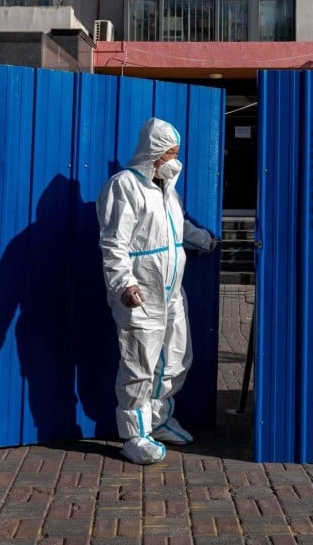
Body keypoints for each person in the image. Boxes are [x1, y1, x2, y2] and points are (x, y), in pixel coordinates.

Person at [96, 118, 218, 465]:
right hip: (141, 291)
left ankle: (159, 419)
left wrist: (203, 240)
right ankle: (134, 434)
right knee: (139, 363)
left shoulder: (165, 189)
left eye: (176, 153)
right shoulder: (125, 186)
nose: (174, 160)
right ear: (153, 152)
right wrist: (124, 283)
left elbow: (176, 225)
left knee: (176, 358)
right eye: (170, 153)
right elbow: (113, 241)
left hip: (171, 292)